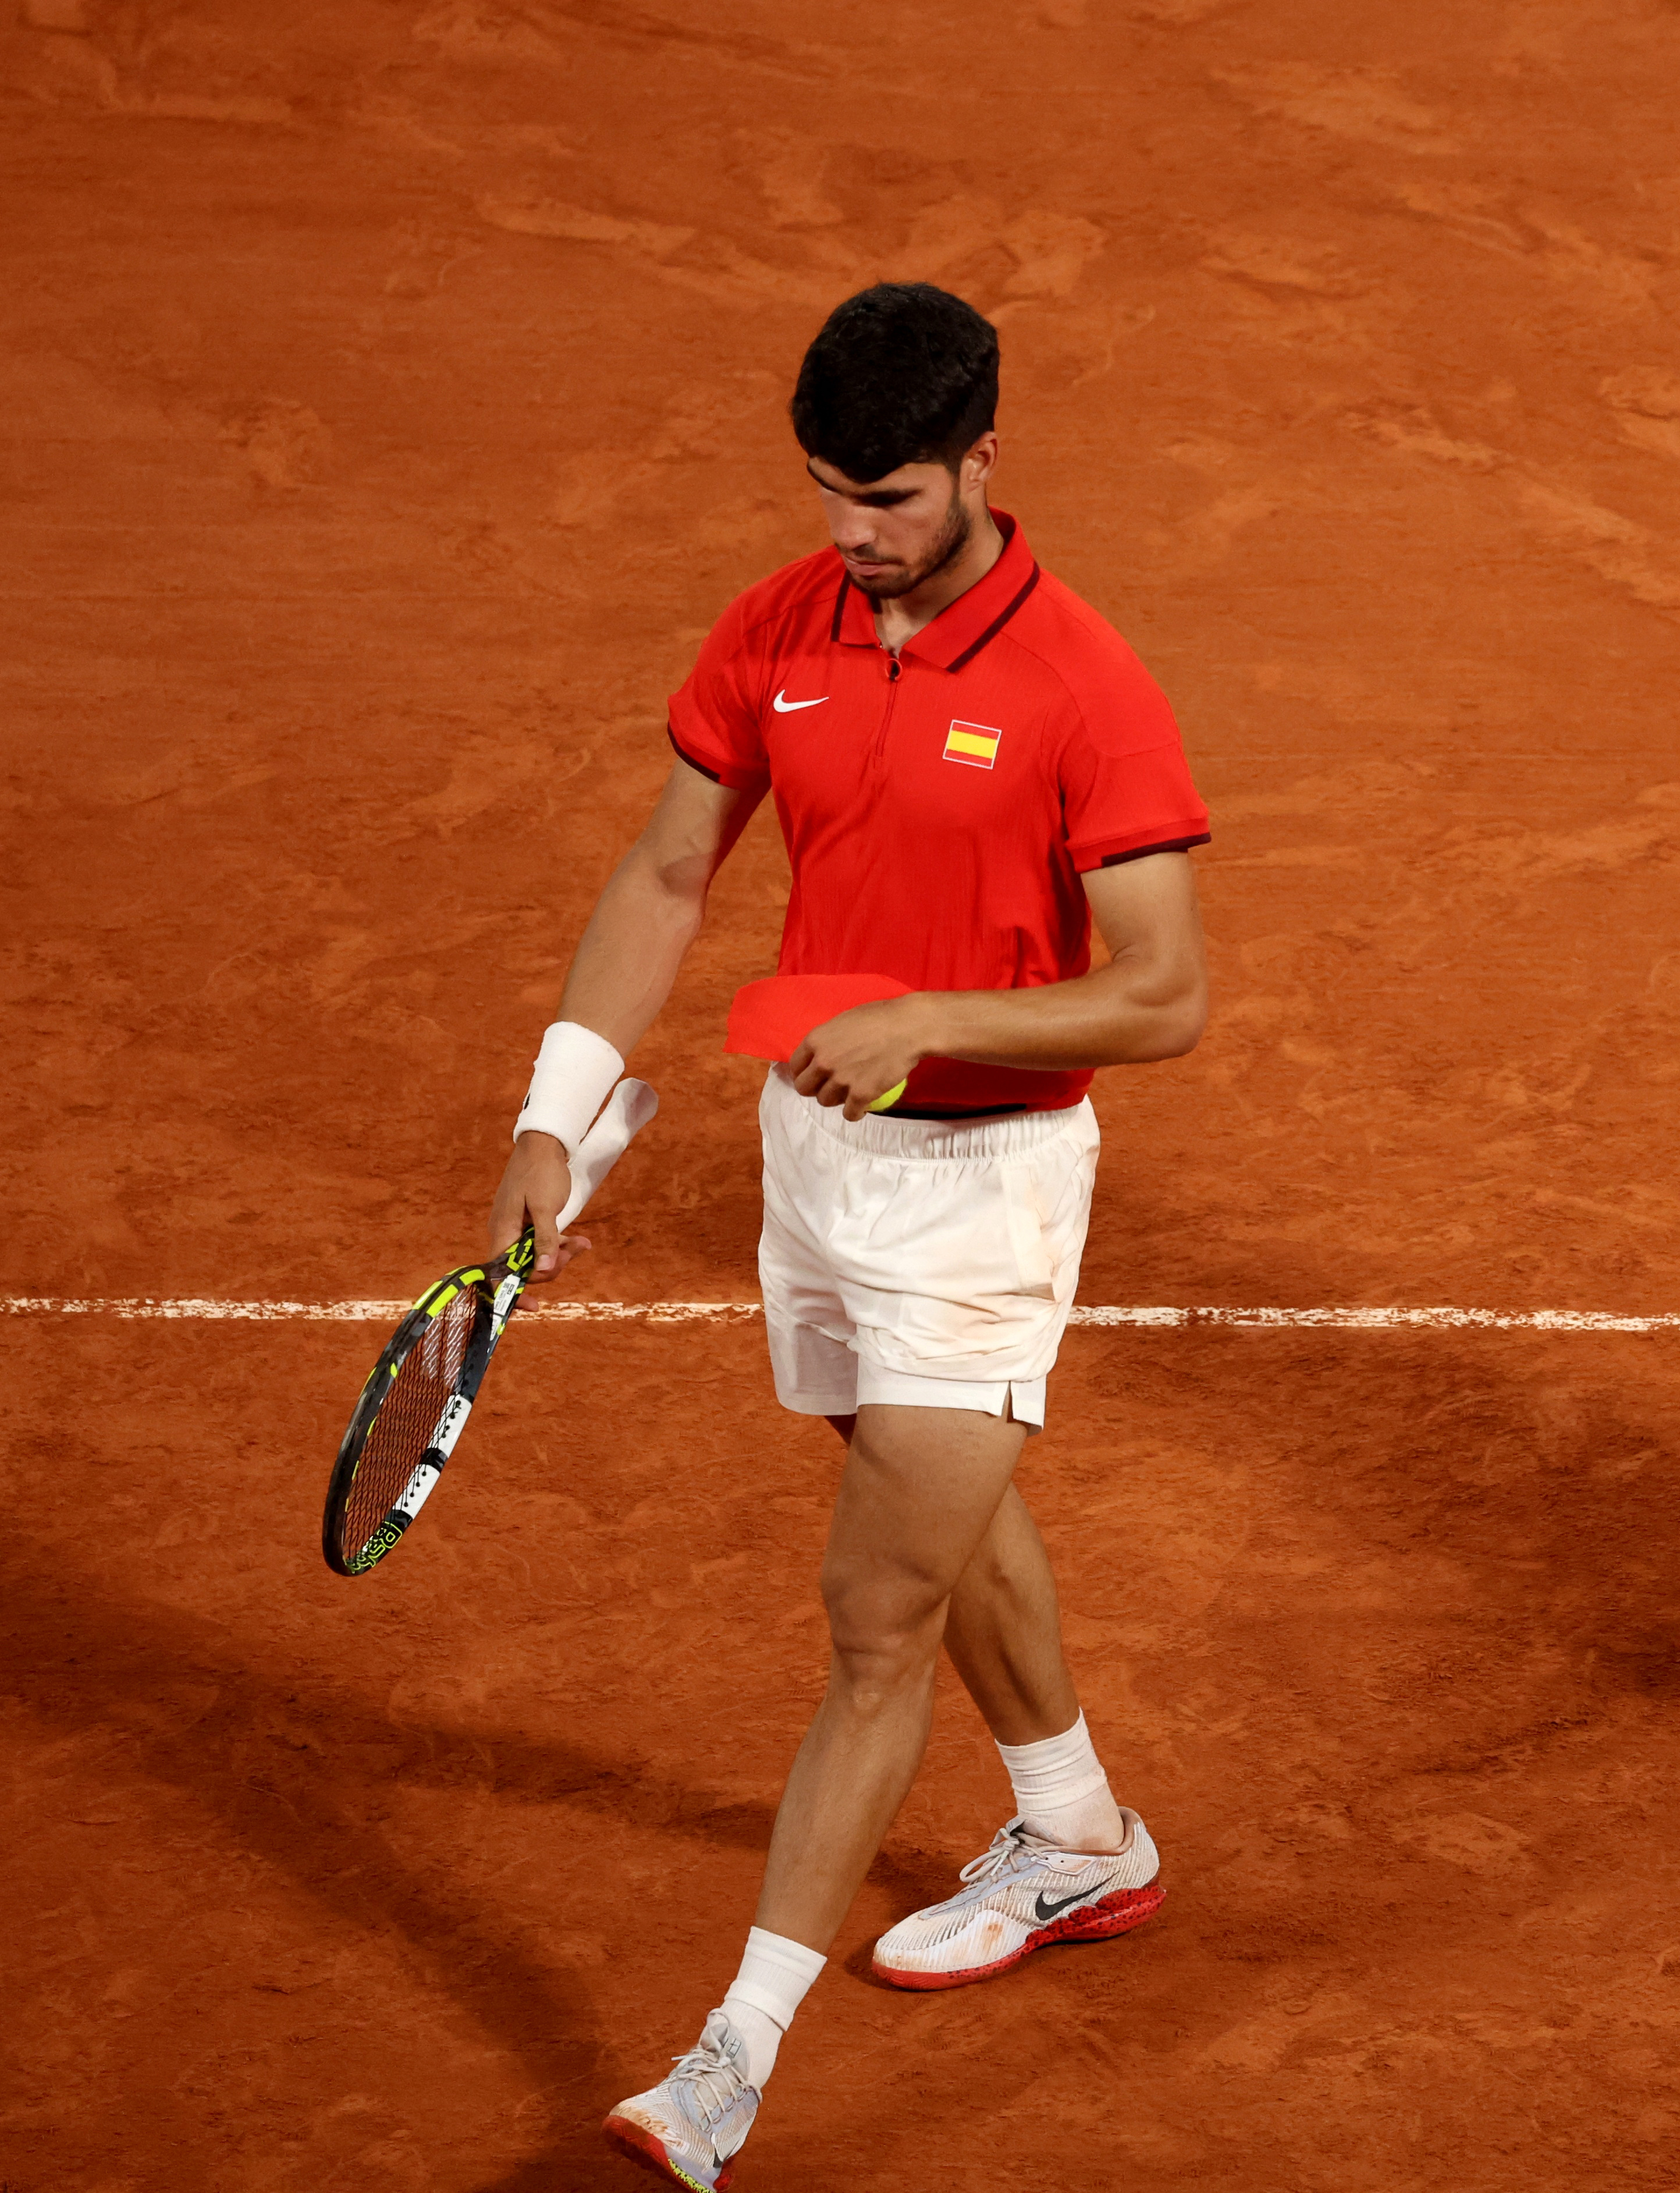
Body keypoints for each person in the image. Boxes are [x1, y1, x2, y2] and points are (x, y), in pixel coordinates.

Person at [479, 282, 1213, 2185]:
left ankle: (727, 2059)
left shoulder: (1086, 686)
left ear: (983, 460)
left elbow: (1164, 993)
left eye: (884, 497)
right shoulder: (779, 628)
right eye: (825, 493)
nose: (849, 534)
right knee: (935, 1503)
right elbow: (664, 871)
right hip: (812, 1170)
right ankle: (1074, 1834)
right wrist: (554, 1119)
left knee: (875, 1619)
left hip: (985, 1190)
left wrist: (931, 1018)